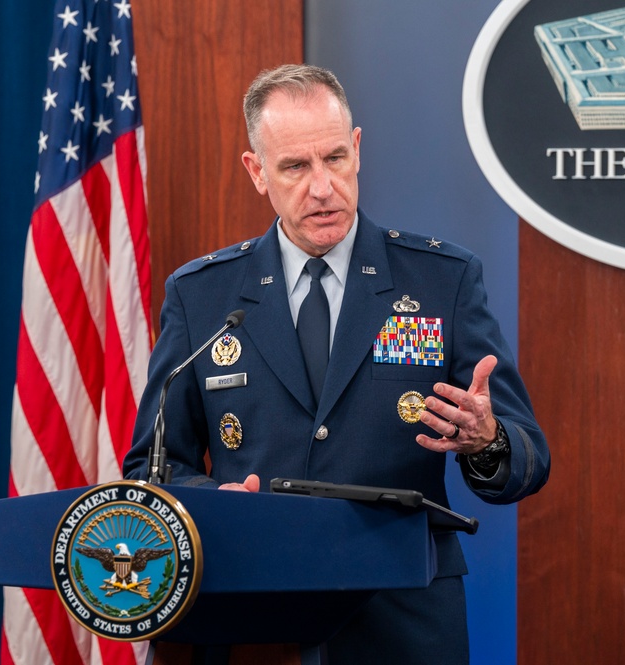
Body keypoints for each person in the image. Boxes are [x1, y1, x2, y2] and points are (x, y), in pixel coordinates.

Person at [123, 63, 549, 663]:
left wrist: (488, 440)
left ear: (357, 150)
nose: (322, 187)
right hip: (252, 611)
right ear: (257, 172)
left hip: (403, 617)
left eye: (334, 159)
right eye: (295, 167)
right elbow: (152, 467)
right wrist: (215, 502)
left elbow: (529, 459)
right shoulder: (204, 296)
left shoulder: (440, 280)